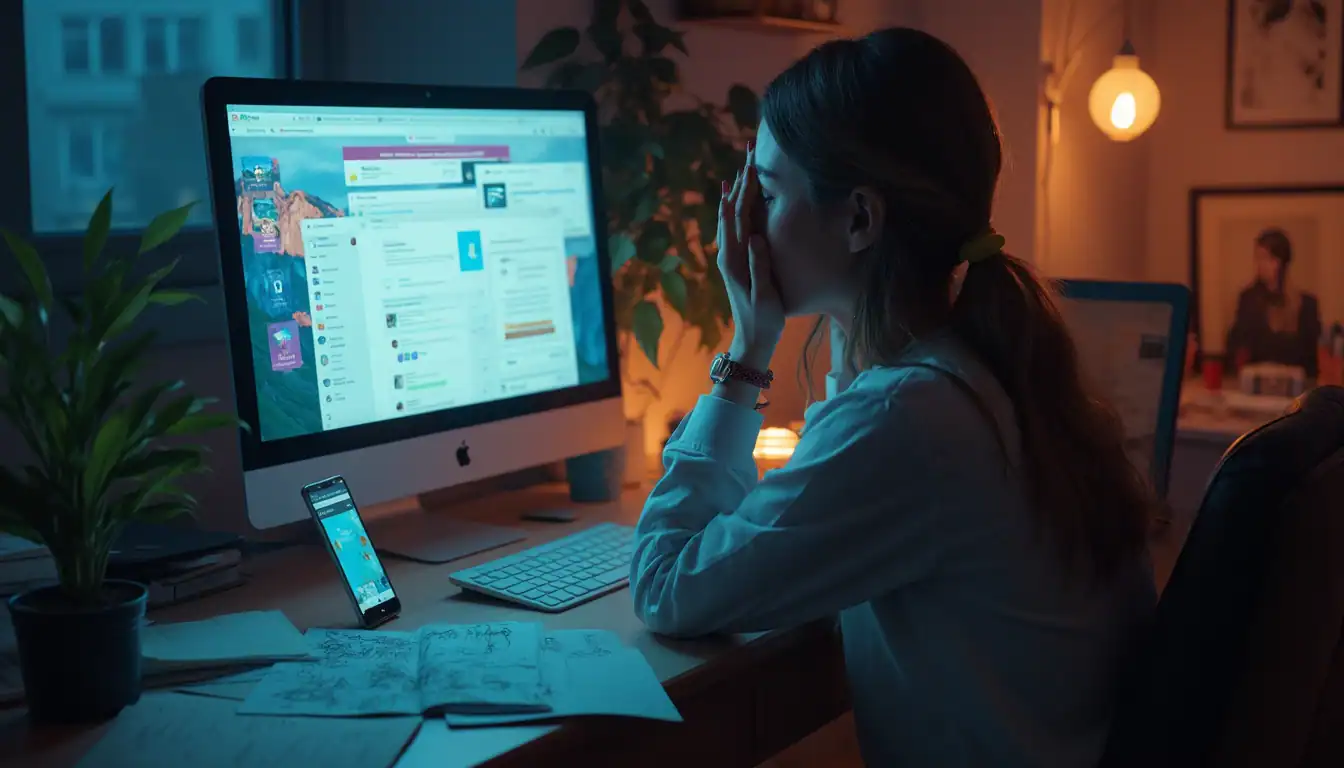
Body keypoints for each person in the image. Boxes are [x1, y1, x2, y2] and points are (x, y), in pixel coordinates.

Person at [629, 28, 1156, 767]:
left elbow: (664, 586)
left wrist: (749, 350)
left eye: (768, 192)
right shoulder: (976, 372)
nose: (746, 222)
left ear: (860, 219)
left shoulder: (910, 419)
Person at [1225, 227, 1322, 377]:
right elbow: (1236, 347)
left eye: (1268, 258)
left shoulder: (1306, 304)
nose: (1261, 264)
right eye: (1258, 258)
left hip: (1295, 388)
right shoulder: (1248, 299)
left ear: (1282, 262)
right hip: (1256, 387)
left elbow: (1313, 357)